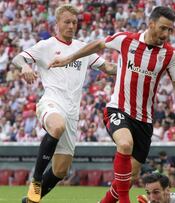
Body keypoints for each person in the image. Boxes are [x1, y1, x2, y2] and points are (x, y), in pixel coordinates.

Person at [49, 6, 175, 203]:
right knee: (124, 144)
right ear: (151, 24)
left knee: (128, 178)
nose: (166, 34)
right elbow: (98, 44)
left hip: (144, 120)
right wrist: (70, 57)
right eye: (163, 28)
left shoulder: (169, 55)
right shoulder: (126, 40)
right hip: (119, 109)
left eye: (170, 30)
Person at [12, 4, 116, 203]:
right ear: (57, 23)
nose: (71, 25)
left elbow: (108, 67)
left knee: (61, 170)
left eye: (74, 22)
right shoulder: (46, 46)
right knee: (57, 125)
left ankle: (31, 200)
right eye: (67, 22)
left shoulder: (82, 48)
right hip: (51, 102)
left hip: (72, 112)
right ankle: (36, 179)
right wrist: (25, 66)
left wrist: (133, 68)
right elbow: (18, 58)